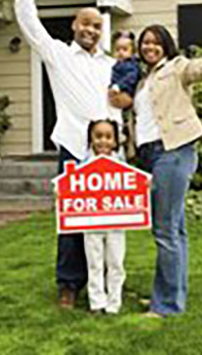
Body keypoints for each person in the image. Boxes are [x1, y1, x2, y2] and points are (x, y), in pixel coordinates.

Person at [113, 6, 202, 317]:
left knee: (165, 230)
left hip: (174, 151)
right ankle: (168, 296)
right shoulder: (142, 80)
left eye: (155, 42)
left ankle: (166, 305)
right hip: (151, 155)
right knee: (174, 230)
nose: (149, 47)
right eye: (145, 43)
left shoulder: (178, 67)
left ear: (166, 45)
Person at [14, 0, 126, 309]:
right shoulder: (58, 55)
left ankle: (109, 286)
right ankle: (68, 284)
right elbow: (28, 19)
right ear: (74, 26)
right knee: (71, 221)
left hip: (109, 155)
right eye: (85, 24)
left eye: (97, 25)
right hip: (74, 150)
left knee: (109, 225)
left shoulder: (110, 64)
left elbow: (122, 105)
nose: (91, 29)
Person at [83, 119, 126, 315]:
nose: (103, 141)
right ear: (91, 139)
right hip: (91, 223)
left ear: (115, 141)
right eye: (98, 136)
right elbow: (73, 188)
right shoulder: (83, 165)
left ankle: (114, 302)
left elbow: (131, 188)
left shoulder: (122, 165)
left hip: (116, 224)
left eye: (108, 137)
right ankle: (96, 301)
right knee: (94, 262)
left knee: (116, 262)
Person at [109, 31, 140, 97]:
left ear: (132, 52)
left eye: (125, 49)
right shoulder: (116, 64)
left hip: (127, 91)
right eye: (117, 50)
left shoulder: (131, 65)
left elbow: (131, 78)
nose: (120, 52)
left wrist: (119, 86)